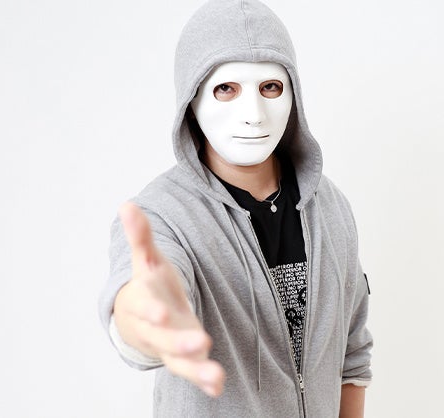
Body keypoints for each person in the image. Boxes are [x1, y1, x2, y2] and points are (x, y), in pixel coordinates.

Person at [98, 0, 373, 416]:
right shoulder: (161, 216)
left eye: (270, 87)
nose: (253, 114)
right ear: (191, 98)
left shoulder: (330, 207)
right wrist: (149, 318)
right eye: (226, 88)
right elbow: (138, 301)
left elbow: (352, 355)